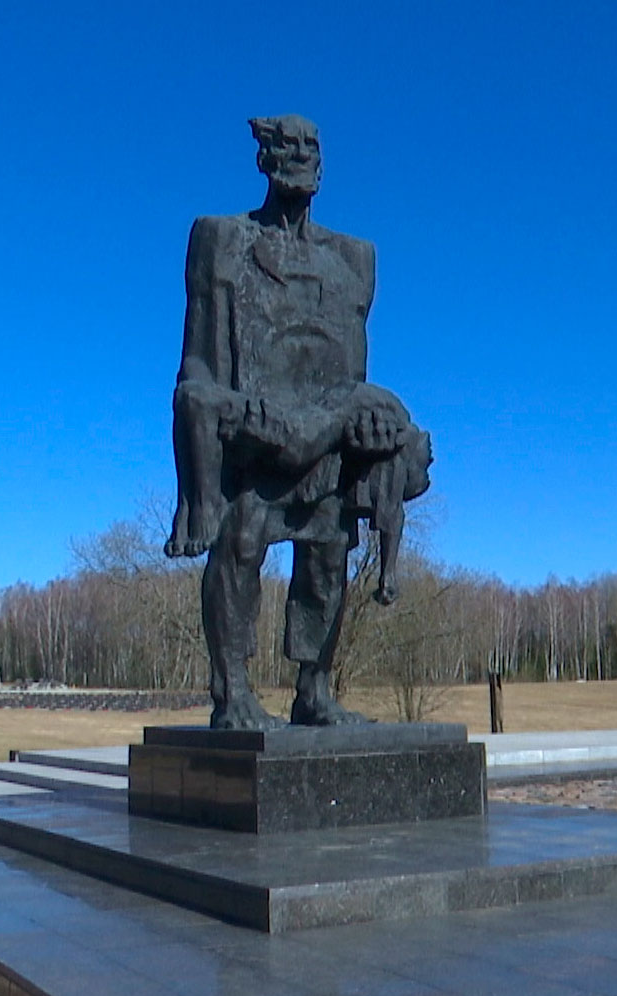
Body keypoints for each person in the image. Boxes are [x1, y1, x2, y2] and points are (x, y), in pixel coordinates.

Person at [167, 115, 432, 730]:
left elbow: (355, 363)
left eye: (313, 146)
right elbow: (200, 355)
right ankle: (231, 692)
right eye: (289, 146)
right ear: (264, 159)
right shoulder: (221, 238)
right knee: (239, 542)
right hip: (254, 430)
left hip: (332, 437)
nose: (303, 157)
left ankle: (314, 690)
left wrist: (372, 429)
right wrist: (200, 428)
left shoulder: (354, 257)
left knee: (327, 554)